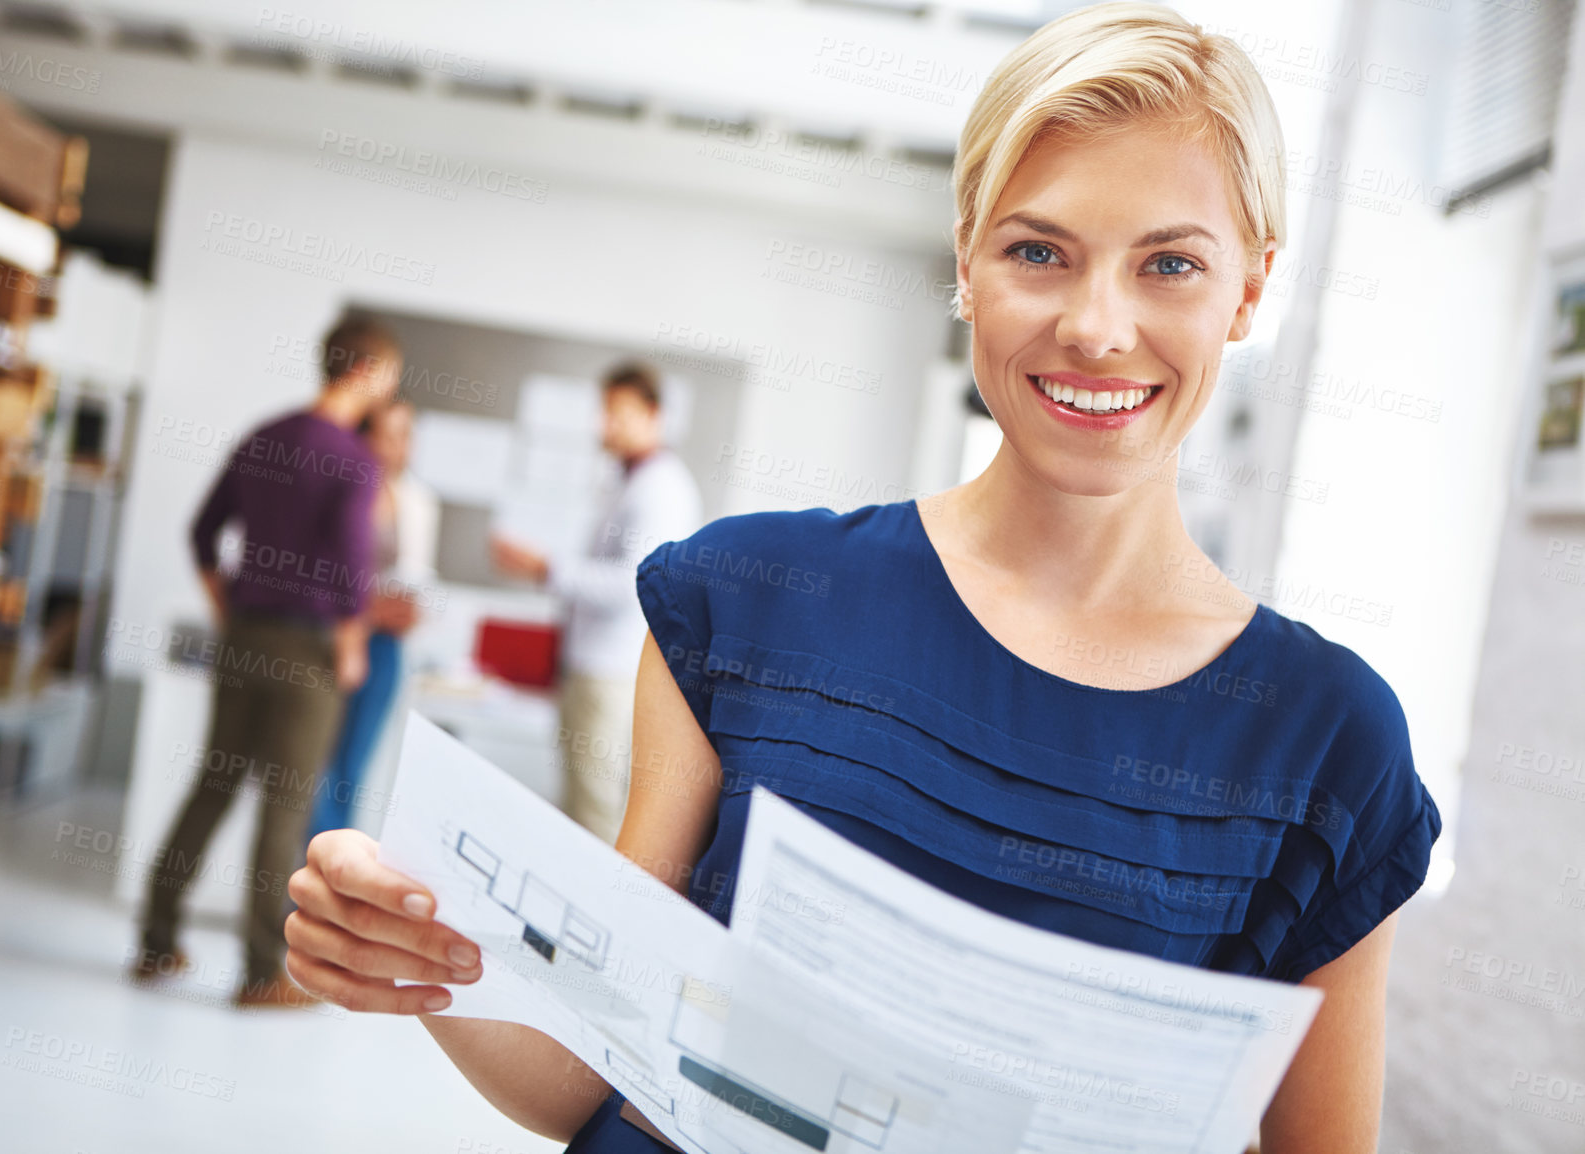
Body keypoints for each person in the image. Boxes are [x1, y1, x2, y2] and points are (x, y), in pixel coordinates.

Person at [280, 6, 1442, 1152]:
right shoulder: (749, 597)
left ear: (1246, 291)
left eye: (1170, 264)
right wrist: (414, 948)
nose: (1096, 326)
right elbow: (596, 1064)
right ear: (968, 263)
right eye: (1038, 251)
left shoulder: (1325, 745)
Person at [134, 316, 401, 1008]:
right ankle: (261, 973)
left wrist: (230, 610)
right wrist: (350, 646)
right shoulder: (354, 459)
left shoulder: (267, 435)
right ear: (368, 372)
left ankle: (155, 943)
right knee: (284, 809)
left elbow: (202, 532)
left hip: (245, 635)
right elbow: (349, 565)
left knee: (212, 785)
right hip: (308, 649)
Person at [490, 362, 702, 845]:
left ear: (654, 414)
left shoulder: (662, 489)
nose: (604, 425)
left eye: (617, 412)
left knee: (594, 812)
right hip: (592, 664)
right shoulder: (626, 480)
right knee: (582, 803)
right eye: (603, 412)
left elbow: (635, 584)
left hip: (612, 668)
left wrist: (545, 567)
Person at [303, 398, 440, 843]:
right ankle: (308, 882)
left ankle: (335, 878)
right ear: (364, 437)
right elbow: (313, 572)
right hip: (335, 639)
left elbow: (417, 576)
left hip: (386, 649)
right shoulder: (336, 490)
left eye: (407, 434)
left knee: (353, 768)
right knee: (316, 762)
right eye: (390, 433)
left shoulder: (418, 502)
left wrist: (409, 609)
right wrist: (367, 607)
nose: (401, 446)